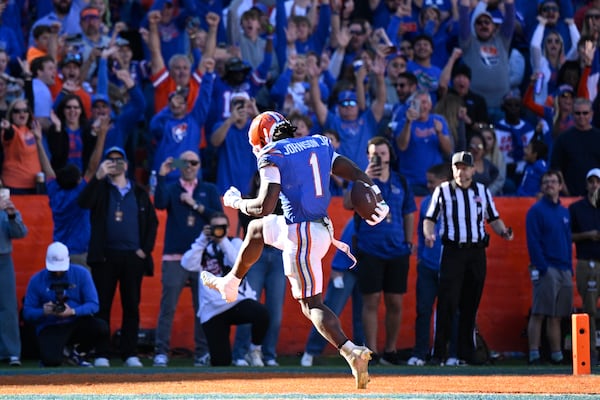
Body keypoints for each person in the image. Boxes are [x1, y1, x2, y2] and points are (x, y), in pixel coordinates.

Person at [201, 111, 389, 389]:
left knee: (311, 304)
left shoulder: (272, 154)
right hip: (319, 228)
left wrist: (237, 203)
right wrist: (374, 190)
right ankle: (231, 282)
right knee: (256, 231)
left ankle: (351, 350)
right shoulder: (319, 142)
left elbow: (264, 206)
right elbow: (353, 171)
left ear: (263, 138)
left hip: (301, 233)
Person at [424, 151, 514, 365]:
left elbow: (493, 218)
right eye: (457, 167)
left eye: (465, 167)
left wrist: (504, 232)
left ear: (473, 170)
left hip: (476, 252)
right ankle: (440, 353)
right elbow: (430, 218)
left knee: (470, 304)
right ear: (452, 169)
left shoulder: (482, 191)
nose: (461, 172)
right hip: (453, 251)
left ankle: (467, 352)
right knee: (447, 303)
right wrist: (429, 233)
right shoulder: (443, 191)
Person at [77, 146, 158, 367]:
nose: (115, 163)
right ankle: (101, 352)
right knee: (103, 305)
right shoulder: (101, 189)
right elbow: (83, 202)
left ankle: (129, 353)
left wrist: (145, 250)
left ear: (126, 164)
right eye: (110, 160)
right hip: (105, 257)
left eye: (118, 159)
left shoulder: (139, 192)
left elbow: (152, 222)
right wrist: (98, 176)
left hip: (133, 257)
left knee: (131, 305)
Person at [343, 136, 416, 365]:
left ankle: (391, 350)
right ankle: (372, 351)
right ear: (368, 156)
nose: (379, 158)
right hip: (369, 248)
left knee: (395, 301)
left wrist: (408, 241)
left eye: (383, 153)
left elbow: (408, 212)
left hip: (397, 249)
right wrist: (364, 178)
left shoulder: (401, 181)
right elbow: (347, 203)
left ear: (389, 155)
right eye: (375, 153)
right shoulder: (361, 180)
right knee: (371, 301)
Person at [152, 151, 223, 368]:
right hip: (175, 256)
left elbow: (219, 219)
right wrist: (162, 175)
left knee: (202, 307)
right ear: (179, 165)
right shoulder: (173, 189)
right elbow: (159, 203)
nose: (190, 166)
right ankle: (161, 353)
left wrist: (195, 204)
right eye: (185, 162)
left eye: (194, 162)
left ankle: (202, 353)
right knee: (168, 307)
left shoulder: (208, 189)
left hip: (202, 258)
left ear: (200, 165)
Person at [181, 212, 270, 367]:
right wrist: (202, 240)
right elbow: (187, 264)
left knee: (262, 314)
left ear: (228, 228)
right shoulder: (202, 246)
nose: (218, 230)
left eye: (222, 227)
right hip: (212, 310)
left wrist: (222, 241)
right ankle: (210, 357)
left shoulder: (234, 242)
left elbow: (238, 261)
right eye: (215, 226)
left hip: (236, 301)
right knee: (221, 362)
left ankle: (254, 350)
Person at [22, 242, 111, 367]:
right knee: (51, 361)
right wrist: (44, 311)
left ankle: (77, 352)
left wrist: (73, 311)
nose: (58, 272)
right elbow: (27, 312)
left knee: (101, 327)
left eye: (61, 269)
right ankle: (63, 353)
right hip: (50, 325)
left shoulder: (81, 274)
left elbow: (94, 304)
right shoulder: (37, 279)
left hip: (75, 322)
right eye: (54, 269)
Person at [408, 162, 457, 367]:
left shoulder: (458, 202)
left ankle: (451, 354)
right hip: (428, 264)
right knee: (424, 310)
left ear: (444, 182)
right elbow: (420, 230)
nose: (428, 185)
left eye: (432, 182)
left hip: (450, 265)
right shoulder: (427, 201)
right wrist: (420, 256)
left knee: (452, 311)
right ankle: (420, 353)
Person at [299, 219, 365, 367]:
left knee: (364, 314)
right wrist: (337, 269)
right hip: (344, 269)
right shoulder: (358, 220)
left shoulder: (384, 221)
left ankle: (363, 354)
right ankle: (311, 352)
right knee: (330, 309)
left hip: (367, 270)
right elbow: (345, 246)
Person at [525, 170, 573, 365]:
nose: (549, 185)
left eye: (553, 182)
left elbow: (568, 241)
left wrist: (569, 267)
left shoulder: (564, 212)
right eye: (545, 182)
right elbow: (533, 241)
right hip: (548, 267)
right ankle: (534, 353)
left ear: (560, 186)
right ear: (542, 187)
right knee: (539, 312)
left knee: (557, 315)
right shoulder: (536, 211)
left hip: (564, 268)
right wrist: (542, 267)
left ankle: (556, 354)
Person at [568, 168, 600, 366]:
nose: (595, 185)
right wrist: (587, 235)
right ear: (586, 184)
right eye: (591, 181)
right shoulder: (577, 208)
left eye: (598, 181)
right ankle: (591, 351)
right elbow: (568, 235)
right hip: (586, 261)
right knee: (589, 309)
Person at [550, 98, 600, 196]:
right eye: (578, 113)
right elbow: (556, 167)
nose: (581, 116)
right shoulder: (563, 138)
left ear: (591, 114)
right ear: (572, 114)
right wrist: (566, 192)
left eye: (585, 113)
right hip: (570, 196)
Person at [0, 184, 27, 366]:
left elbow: (20, 232)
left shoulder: (6, 209)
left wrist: (11, 214)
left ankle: (11, 352)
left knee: (8, 307)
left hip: (3, 259)